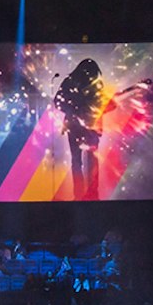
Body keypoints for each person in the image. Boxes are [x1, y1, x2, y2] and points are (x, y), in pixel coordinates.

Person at [54, 59, 107, 201]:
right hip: (89, 128)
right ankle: (92, 195)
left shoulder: (70, 82)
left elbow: (57, 102)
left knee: (77, 161)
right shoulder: (96, 84)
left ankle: (80, 195)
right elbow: (101, 105)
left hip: (77, 128)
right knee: (90, 161)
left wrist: (72, 112)